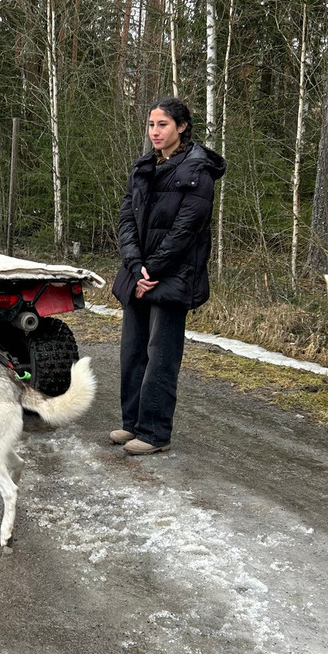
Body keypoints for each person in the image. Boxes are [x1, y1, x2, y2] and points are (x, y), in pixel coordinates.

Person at [110, 97, 227, 455]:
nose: (155, 132)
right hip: (139, 275)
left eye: (162, 124)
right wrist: (135, 266)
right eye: (151, 125)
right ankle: (132, 425)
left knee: (161, 357)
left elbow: (187, 227)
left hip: (172, 277)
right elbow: (126, 219)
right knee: (132, 353)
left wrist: (153, 269)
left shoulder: (198, 170)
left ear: (181, 127)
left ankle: (155, 433)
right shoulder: (143, 166)